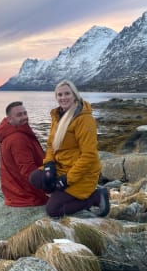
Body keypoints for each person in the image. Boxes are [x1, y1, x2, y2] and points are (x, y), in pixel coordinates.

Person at [29, 80, 110, 217]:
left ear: (75, 95)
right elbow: (50, 145)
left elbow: (89, 155)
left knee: (53, 211)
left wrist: (67, 180)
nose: (63, 97)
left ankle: (95, 197)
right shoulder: (57, 116)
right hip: (63, 167)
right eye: (59, 95)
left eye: (67, 93)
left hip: (82, 173)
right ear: (56, 97)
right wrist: (49, 164)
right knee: (35, 178)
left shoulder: (84, 119)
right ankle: (60, 193)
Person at [0, 101, 49, 207]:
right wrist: (48, 190)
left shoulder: (8, 131)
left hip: (13, 192)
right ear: (9, 119)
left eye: (25, 113)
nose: (24, 117)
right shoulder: (18, 139)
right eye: (19, 115)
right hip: (27, 196)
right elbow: (28, 172)